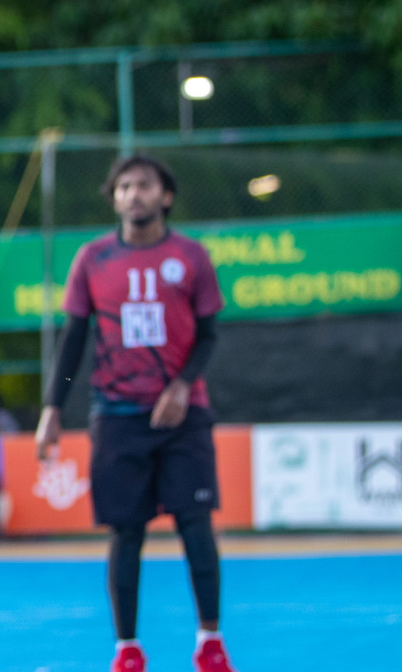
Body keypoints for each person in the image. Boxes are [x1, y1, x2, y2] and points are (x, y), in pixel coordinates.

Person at [35, 155, 235, 672]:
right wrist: (53, 409)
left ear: (165, 195)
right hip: (117, 415)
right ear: (115, 198)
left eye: (143, 185)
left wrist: (183, 386)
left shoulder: (191, 257)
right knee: (126, 532)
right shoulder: (92, 260)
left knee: (196, 524)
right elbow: (74, 340)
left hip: (182, 416)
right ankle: (127, 650)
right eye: (123, 187)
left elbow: (209, 334)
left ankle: (209, 644)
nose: (133, 194)